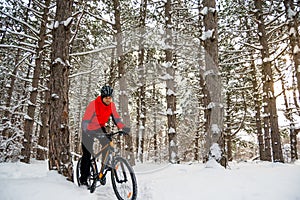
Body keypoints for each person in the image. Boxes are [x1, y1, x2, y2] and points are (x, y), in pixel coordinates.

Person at [80, 85, 130, 186]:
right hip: (88, 129)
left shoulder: (111, 106)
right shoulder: (93, 104)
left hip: (99, 127)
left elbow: (116, 119)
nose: (108, 99)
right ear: (102, 97)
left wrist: (123, 127)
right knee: (87, 155)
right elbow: (85, 120)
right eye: (106, 97)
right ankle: (83, 178)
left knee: (107, 146)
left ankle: (102, 173)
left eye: (110, 97)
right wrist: (87, 130)